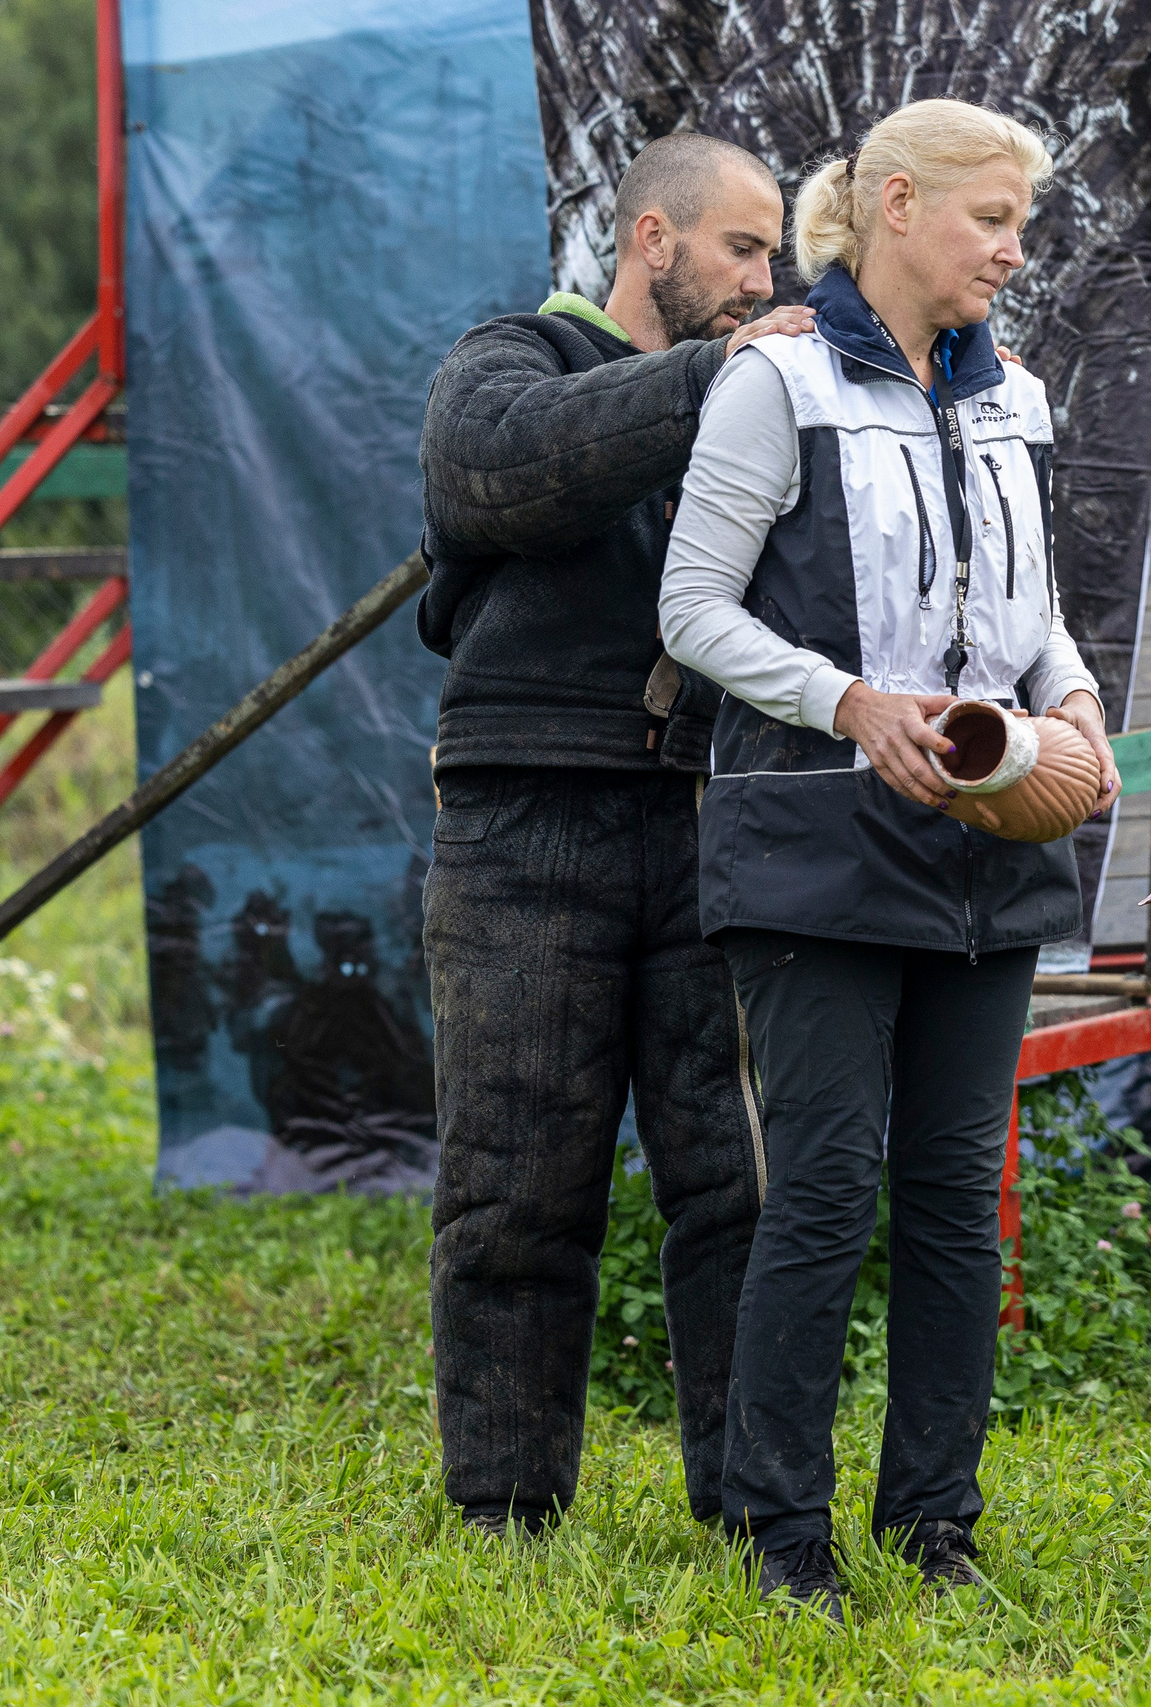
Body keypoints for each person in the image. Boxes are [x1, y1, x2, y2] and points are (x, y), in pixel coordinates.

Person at [658, 97, 1119, 1622]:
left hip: (986, 850)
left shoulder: (1018, 399)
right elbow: (694, 611)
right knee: (826, 1192)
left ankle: (935, 1527)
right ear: (900, 204)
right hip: (811, 845)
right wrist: (849, 701)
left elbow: (1032, 604)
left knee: (952, 1195)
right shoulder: (773, 384)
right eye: (992, 221)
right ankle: (777, 1530)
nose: (1012, 252)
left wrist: (1076, 702)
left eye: (1022, 226)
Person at [417, 132, 820, 1538]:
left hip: (712, 812)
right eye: (742, 249)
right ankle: (505, 1512)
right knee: (516, 1187)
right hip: (527, 818)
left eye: (775, 254)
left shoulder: (767, 395)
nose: (767, 279)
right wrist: (717, 375)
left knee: (737, 1189)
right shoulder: (511, 357)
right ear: (653, 240)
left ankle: (752, 1504)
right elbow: (494, 473)